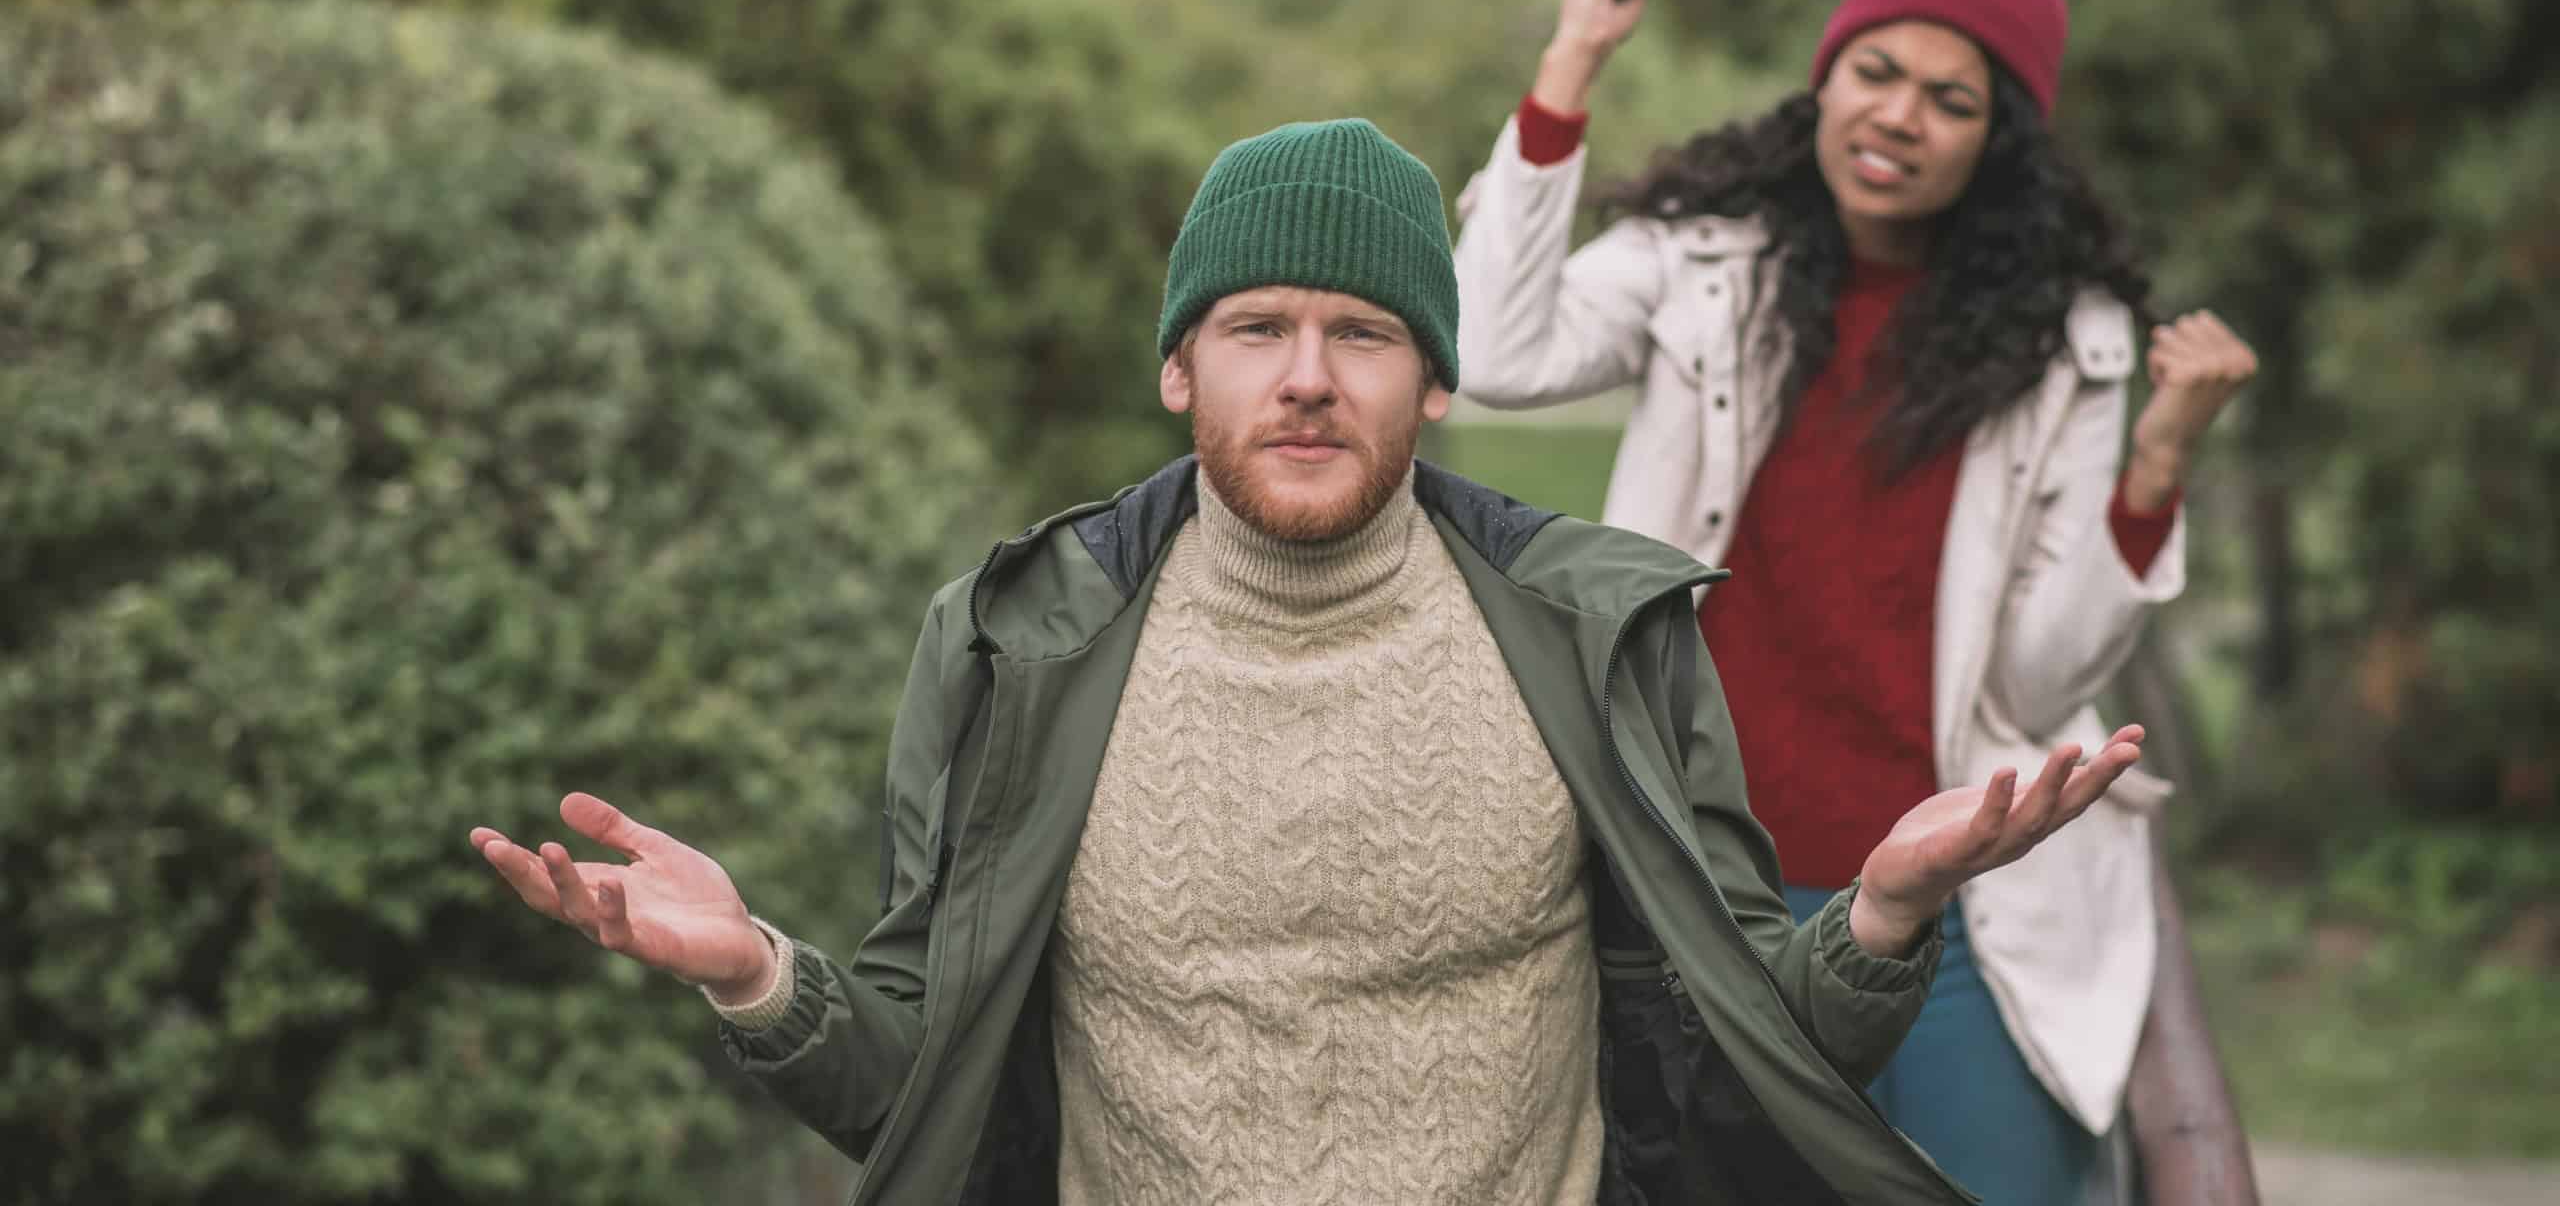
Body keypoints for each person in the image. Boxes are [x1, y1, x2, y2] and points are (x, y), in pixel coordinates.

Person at [471, 116, 2155, 1206]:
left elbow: (1734, 1069)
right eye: (1256, 328)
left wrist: (1880, 915)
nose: (1306, 377)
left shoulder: (1599, 635)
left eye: (1363, 333)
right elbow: (925, 1086)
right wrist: (756, 972)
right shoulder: (1019, 638)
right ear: (1178, 369)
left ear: (1436, 384)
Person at [1448, 0, 2261, 1203]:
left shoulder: (2070, 341)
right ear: (1825, 78)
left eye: (1952, 100)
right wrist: (1575, 59)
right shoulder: (1703, 261)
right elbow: (1494, 350)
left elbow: (2044, 676)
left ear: (1998, 141)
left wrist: (2156, 466)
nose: (1899, 117)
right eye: (1876, 71)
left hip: (1963, 896)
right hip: (1707, 892)